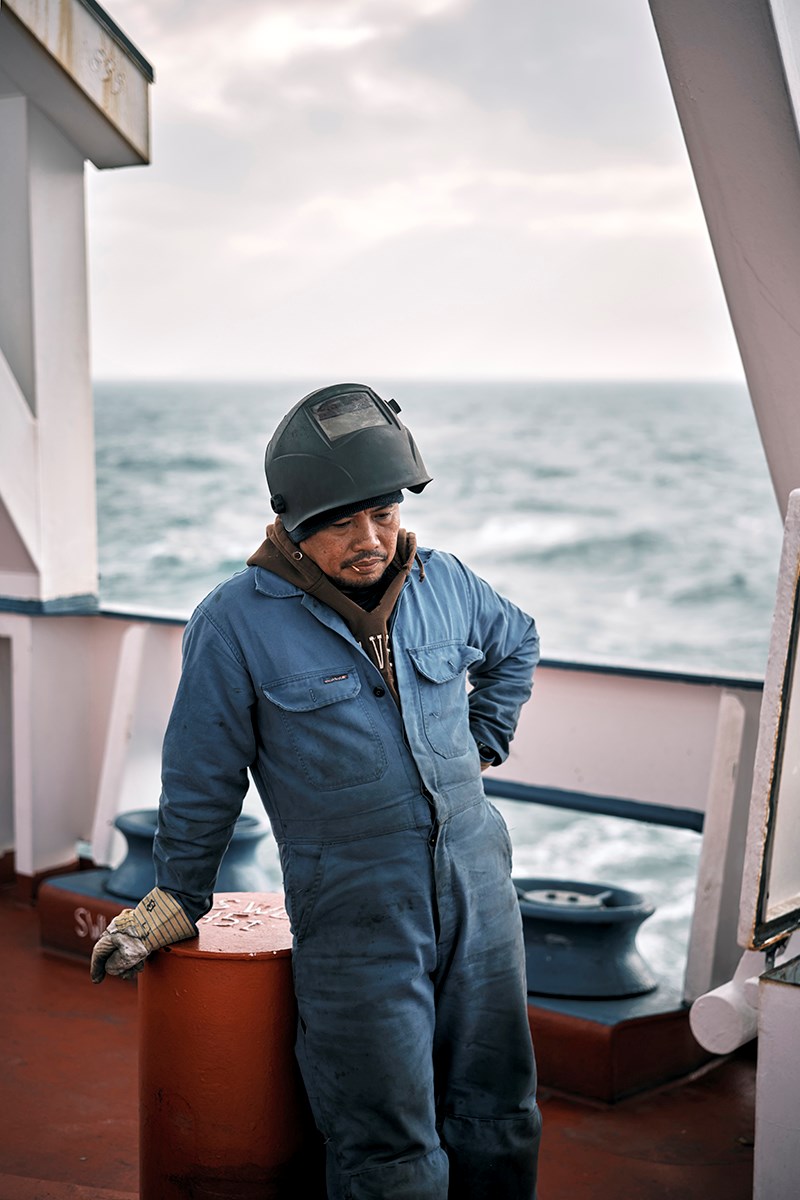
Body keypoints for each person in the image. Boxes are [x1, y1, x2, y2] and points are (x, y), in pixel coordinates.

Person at [91, 383, 542, 1199]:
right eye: (341, 522)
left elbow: (518, 642)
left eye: (383, 513)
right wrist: (179, 895)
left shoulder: (449, 584)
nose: (370, 539)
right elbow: (202, 774)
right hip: (354, 905)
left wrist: (486, 738)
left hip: (479, 880)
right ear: (295, 523)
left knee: (499, 1114)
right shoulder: (234, 622)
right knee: (385, 1142)